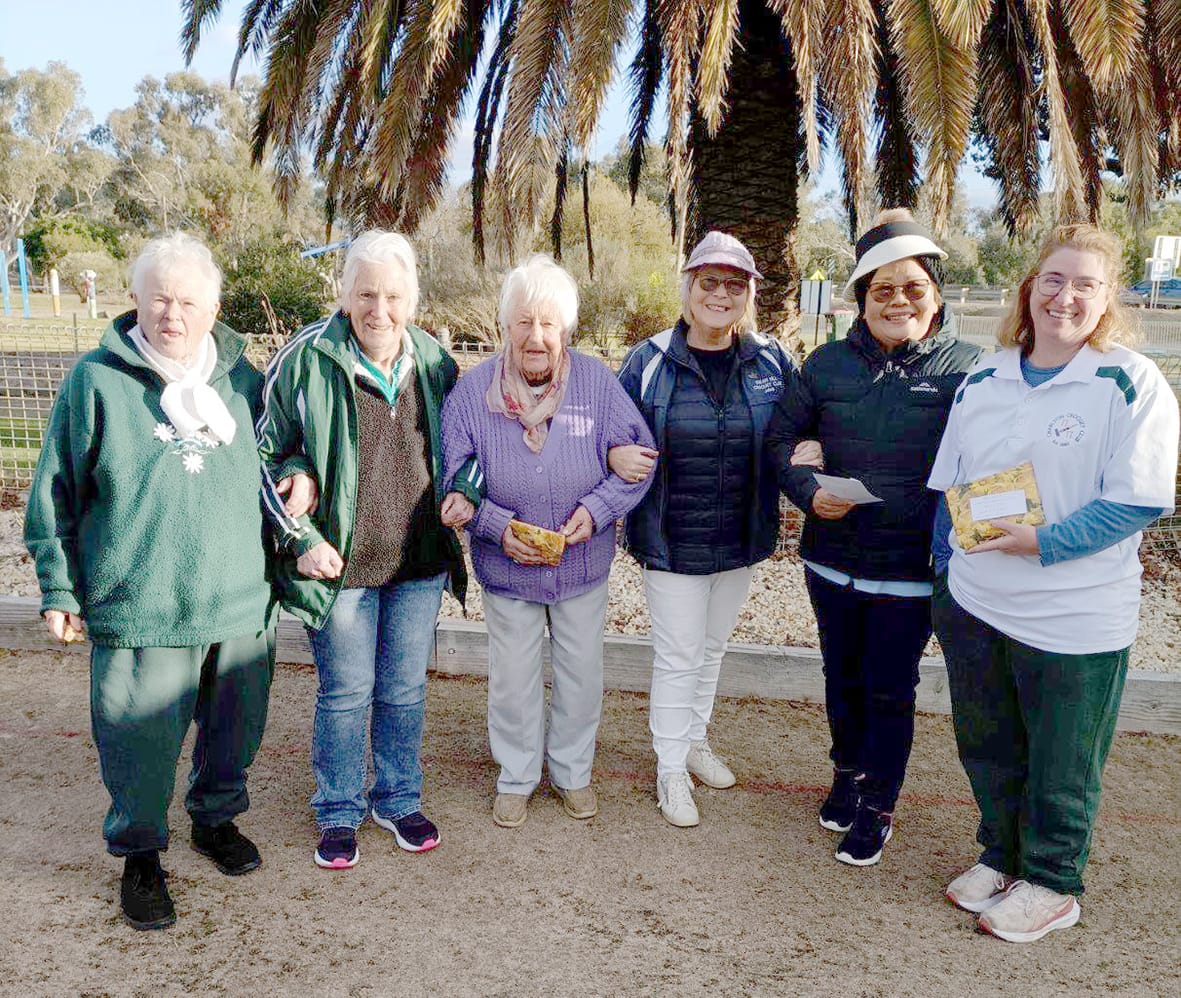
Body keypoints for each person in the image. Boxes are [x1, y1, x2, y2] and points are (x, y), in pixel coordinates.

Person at [24, 232, 304, 930]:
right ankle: (141, 854)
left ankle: (215, 821)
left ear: (213, 308)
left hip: (239, 599)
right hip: (139, 601)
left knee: (234, 733)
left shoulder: (246, 380)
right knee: (137, 740)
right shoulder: (97, 381)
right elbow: (53, 491)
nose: (171, 314)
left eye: (187, 301)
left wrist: (301, 472)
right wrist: (59, 588)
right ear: (135, 303)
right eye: (158, 299)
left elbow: (285, 449)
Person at [929, 223, 1178, 942]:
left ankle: (1054, 882)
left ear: (1108, 299)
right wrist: (948, 573)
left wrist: (1043, 542)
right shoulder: (984, 373)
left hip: (1074, 615)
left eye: (1085, 284)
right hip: (976, 602)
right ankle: (1000, 858)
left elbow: (1136, 500)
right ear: (1028, 288)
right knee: (987, 744)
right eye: (1052, 279)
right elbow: (950, 484)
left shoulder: (1128, 379)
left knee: (1062, 761)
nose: (1064, 297)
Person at [768, 210, 981, 865]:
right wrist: (808, 493)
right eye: (880, 289)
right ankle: (845, 774)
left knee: (890, 689)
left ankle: (878, 806)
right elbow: (779, 442)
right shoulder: (824, 365)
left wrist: (974, 542)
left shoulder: (969, 370)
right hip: (831, 563)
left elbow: (992, 464)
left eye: (912, 287)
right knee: (841, 678)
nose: (897, 300)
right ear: (859, 299)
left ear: (936, 297)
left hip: (910, 570)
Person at [257, 230, 470, 869]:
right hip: (341, 565)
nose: (379, 308)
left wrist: (465, 489)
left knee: (403, 689)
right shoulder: (304, 359)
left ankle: (398, 798)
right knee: (347, 692)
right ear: (344, 292)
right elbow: (261, 455)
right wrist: (301, 536)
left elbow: (467, 449)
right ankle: (339, 809)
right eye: (366, 292)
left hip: (419, 562)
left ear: (412, 298)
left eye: (393, 294)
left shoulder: (436, 362)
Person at [440, 255, 654, 829]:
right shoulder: (473, 394)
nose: (537, 337)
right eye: (525, 322)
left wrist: (597, 509)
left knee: (582, 673)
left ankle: (572, 773)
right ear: (505, 325)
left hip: (581, 565)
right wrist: (495, 527)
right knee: (513, 678)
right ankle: (516, 777)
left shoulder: (596, 385)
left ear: (566, 330)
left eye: (550, 324)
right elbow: (454, 479)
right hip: (507, 569)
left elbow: (640, 462)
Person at [616, 231, 799, 829]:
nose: (721, 294)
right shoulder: (648, 362)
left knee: (712, 649)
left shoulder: (772, 360)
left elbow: (795, 428)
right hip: (671, 538)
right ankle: (669, 766)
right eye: (709, 281)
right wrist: (617, 455)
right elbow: (608, 434)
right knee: (677, 655)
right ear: (689, 288)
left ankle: (693, 740)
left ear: (749, 295)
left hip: (740, 535)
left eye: (735, 284)